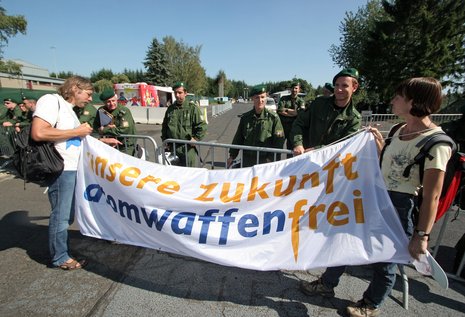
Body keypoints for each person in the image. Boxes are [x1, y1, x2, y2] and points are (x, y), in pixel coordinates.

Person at [301, 77, 452, 317]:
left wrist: (422, 236)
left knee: (385, 259)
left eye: (398, 97)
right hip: (374, 197)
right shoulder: (398, 129)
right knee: (344, 241)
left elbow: (432, 196)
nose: (392, 100)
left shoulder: (436, 144)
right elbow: (387, 165)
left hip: (400, 206)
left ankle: (371, 304)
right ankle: (327, 284)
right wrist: (379, 145)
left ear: (414, 102)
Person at [31, 76, 94, 270]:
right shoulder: (51, 101)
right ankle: (60, 257)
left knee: (67, 216)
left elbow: (71, 139)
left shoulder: (70, 111)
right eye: (88, 94)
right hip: (61, 170)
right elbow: (39, 132)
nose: (90, 99)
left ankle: (63, 251)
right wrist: (76, 131)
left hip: (72, 169)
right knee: (61, 215)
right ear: (75, 88)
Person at [291, 68, 362, 155]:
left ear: (354, 87)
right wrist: (298, 144)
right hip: (305, 159)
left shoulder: (354, 118)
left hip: (331, 164)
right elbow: (299, 123)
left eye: (344, 86)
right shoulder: (318, 104)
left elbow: (344, 145)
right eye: (337, 85)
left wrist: (317, 149)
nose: (339, 89)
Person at [227, 84, 285, 168]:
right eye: (257, 97)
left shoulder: (273, 118)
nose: (260, 100)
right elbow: (238, 138)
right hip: (247, 162)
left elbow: (279, 142)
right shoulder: (245, 118)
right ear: (252, 99)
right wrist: (232, 156)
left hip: (265, 164)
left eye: (262, 97)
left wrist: (271, 159)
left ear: (266, 98)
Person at [161, 82, 207, 167]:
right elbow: (165, 127)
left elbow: (202, 126)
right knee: (175, 175)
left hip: (187, 149)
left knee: (189, 174)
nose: (177, 95)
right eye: (175, 93)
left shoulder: (192, 108)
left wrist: (196, 138)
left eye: (180, 92)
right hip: (173, 148)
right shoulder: (170, 109)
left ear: (185, 93)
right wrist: (164, 141)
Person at [93, 88, 136, 155]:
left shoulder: (124, 111)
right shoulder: (102, 111)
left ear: (116, 99)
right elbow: (96, 127)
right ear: (104, 102)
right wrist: (111, 127)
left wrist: (105, 129)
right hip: (109, 144)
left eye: (113, 101)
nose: (111, 103)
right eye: (108, 102)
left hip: (124, 145)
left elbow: (124, 129)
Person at [277, 82, 306, 156]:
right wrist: (293, 114)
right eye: (293, 88)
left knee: (290, 149)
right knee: (278, 146)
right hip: (282, 127)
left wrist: (286, 110)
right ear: (290, 89)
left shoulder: (301, 101)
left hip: (293, 128)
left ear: (299, 90)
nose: (294, 90)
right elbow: (280, 110)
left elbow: (300, 113)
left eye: (296, 88)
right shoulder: (284, 98)